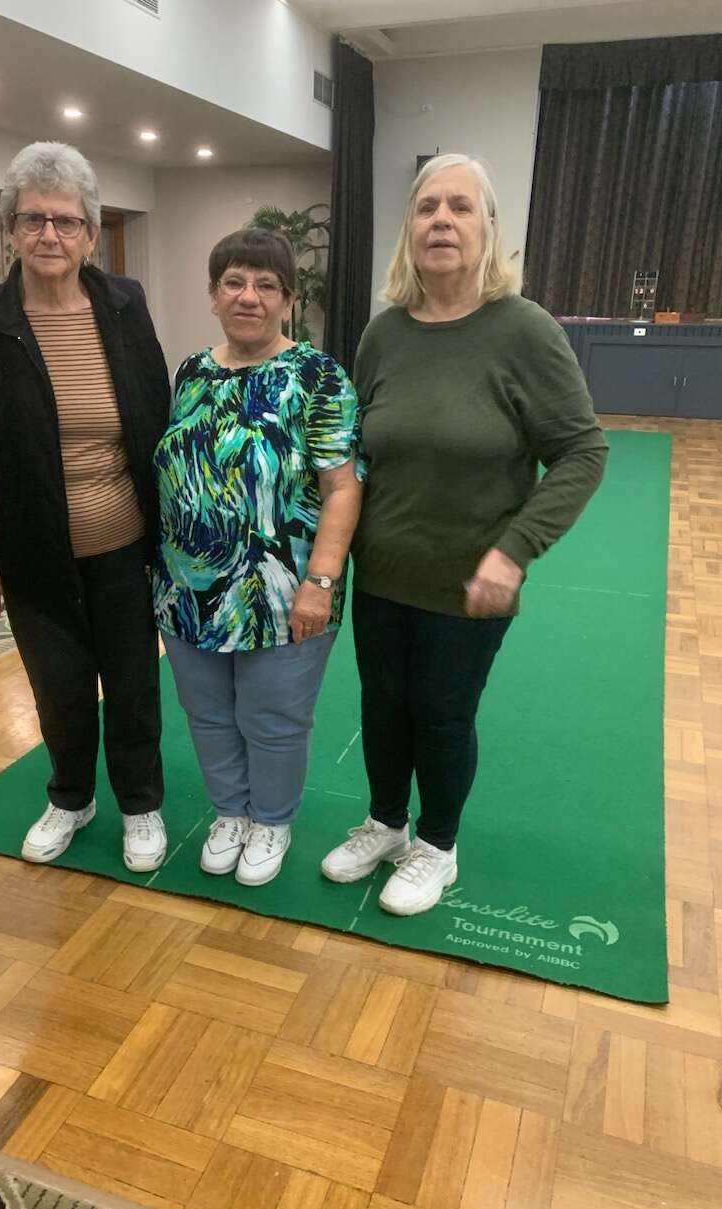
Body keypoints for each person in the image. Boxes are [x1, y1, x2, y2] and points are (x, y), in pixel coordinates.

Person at [322, 153, 607, 916]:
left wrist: (514, 552)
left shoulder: (526, 331)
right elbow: (357, 451)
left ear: (488, 229)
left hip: (468, 581)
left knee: (442, 714)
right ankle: (384, 824)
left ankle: (437, 847)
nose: (441, 221)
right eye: (426, 208)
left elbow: (583, 452)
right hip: (382, 572)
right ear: (408, 231)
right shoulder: (383, 335)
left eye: (459, 208)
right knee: (383, 704)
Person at [0, 141, 170, 871]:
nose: (50, 234)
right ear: (10, 228)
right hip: (35, 554)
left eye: (66, 221)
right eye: (33, 219)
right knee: (61, 691)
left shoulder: (124, 305)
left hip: (125, 546)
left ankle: (141, 804)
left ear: (90, 234)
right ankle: (72, 797)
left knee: (132, 687)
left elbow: (156, 417)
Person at [154, 228, 364, 886]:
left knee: (273, 717)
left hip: (284, 590)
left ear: (288, 300)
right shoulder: (191, 370)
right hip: (187, 587)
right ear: (214, 296)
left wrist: (320, 582)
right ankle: (231, 814)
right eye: (234, 283)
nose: (249, 297)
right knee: (208, 713)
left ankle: (271, 821)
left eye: (266, 285)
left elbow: (342, 487)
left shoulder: (318, 377)